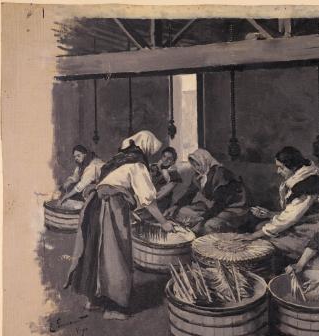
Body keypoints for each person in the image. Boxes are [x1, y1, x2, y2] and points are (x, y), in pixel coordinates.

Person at [64, 130, 175, 321]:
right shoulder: (137, 164)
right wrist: (164, 223)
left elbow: (111, 184)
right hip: (110, 206)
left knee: (94, 250)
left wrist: (131, 211)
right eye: (151, 152)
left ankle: (94, 299)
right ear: (145, 148)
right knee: (115, 255)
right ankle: (114, 306)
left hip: (94, 205)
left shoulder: (119, 160)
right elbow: (147, 199)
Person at [240, 146, 319, 260]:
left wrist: (253, 236)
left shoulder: (309, 185)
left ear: (293, 167)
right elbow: (296, 213)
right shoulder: (301, 178)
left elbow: (291, 218)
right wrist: (270, 214)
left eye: (281, 168)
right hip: (304, 222)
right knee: (261, 228)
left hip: (317, 229)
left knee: (267, 242)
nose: (278, 171)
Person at [172, 148, 250, 235]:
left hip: (233, 209)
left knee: (209, 225)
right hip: (215, 207)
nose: (196, 168)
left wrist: (202, 217)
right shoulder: (198, 176)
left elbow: (221, 202)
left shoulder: (221, 173)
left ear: (205, 161)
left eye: (198, 164)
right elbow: (189, 194)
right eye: (193, 165)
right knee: (183, 211)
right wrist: (176, 206)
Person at [151, 146, 196, 213]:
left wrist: (163, 170)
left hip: (161, 203)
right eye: (164, 156)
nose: (165, 160)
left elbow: (162, 194)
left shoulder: (174, 174)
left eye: (169, 159)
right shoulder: (155, 168)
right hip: (150, 199)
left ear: (173, 162)